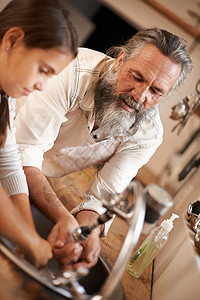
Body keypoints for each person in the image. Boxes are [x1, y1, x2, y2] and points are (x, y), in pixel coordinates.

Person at [15, 27, 192, 270]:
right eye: (137, 77)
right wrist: (62, 217)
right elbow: (23, 152)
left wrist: (87, 233)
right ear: (120, 60)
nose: (140, 97)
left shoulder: (147, 135)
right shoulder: (70, 70)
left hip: (30, 181)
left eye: (156, 91)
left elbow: (100, 200)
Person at [0, 0, 78, 268]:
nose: (42, 85)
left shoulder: (5, 93)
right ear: (12, 40)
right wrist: (30, 242)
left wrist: (29, 234)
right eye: (43, 70)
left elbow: (7, 162)